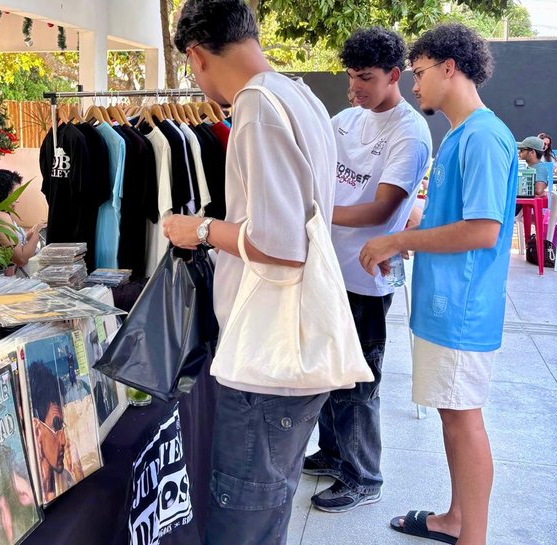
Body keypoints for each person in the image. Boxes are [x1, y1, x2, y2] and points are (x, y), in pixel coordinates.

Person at [164, 1, 337, 543]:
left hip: (267, 356)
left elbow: (279, 242)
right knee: (267, 503)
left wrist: (198, 229)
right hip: (293, 346)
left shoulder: (257, 107)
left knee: (243, 511)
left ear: (196, 55)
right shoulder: (299, 95)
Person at [360, 23, 518, 545]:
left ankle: (473, 536)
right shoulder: (462, 135)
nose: (415, 85)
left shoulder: (484, 136)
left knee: (463, 419)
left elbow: (483, 230)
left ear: (450, 67)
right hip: (446, 303)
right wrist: (421, 219)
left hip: (463, 308)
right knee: (452, 415)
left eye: (420, 72)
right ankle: (456, 518)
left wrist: (396, 243)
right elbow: (463, 215)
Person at [306, 27, 432, 514]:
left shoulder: (409, 131)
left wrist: (314, 208)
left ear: (394, 76)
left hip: (366, 277)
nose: (354, 88)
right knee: (328, 369)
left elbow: (382, 210)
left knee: (359, 379)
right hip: (328, 270)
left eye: (365, 79)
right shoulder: (343, 120)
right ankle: (335, 453)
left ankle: (364, 477)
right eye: (351, 77)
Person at [28, 361, 78, 503]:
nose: (63, 440)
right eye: (56, 426)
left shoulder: (67, 480)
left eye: (62, 426)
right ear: (37, 430)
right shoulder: (27, 495)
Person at [0, 169, 45, 268]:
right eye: (15, 195)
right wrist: (37, 233)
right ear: (2, 193)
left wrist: (30, 233)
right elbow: (21, 259)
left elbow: (11, 244)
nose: (17, 200)